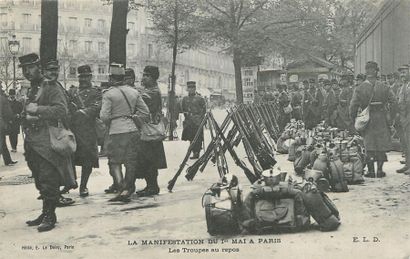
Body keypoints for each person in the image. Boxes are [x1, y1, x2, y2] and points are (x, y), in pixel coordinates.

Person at [20, 54, 76, 232]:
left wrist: (38, 110)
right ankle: (45, 212)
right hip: (33, 141)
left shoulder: (51, 86)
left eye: (30, 67)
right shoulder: (33, 87)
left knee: (48, 178)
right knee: (38, 177)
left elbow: (61, 110)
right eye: (24, 68)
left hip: (46, 140)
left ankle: (50, 215)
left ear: (39, 67)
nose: (26, 72)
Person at [100, 63, 149, 202]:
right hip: (133, 130)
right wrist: (132, 117)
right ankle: (128, 188)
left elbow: (104, 116)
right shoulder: (134, 92)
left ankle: (121, 187)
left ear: (111, 77)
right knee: (130, 161)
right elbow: (145, 113)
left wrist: (113, 120)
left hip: (116, 131)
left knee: (114, 161)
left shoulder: (108, 94)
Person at [350, 61, 396, 178]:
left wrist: (354, 119)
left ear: (366, 71)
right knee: (381, 144)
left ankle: (370, 171)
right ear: (377, 71)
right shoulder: (384, 87)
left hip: (367, 119)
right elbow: (394, 102)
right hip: (381, 118)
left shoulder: (360, 88)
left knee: (369, 144)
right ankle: (380, 171)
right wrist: (391, 116)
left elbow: (353, 106)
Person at [68, 65, 102, 197]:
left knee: (87, 161)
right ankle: (71, 182)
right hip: (73, 129)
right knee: (70, 157)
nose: (84, 79)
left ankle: (83, 186)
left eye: (86, 76)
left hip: (88, 130)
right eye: (81, 76)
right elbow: (66, 106)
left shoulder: (96, 92)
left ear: (91, 77)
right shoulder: (72, 91)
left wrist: (81, 112)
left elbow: (97, 107)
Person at [135, 66, 167, 197]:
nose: (144, 77)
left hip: (150, 130)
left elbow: (145, 107)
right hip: (148, 130)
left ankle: (153, 186)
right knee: (147, 160)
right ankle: (150, 185)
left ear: (153, 78)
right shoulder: (149, 90)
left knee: (150, 161)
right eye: (144, 75)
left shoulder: (153, 93)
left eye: (147, 75)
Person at [181, 81, 206, 159]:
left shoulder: (200, 98)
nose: (191, 89)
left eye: (192, 88)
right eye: (189, 88)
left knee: (198, 137)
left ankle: (197, 152)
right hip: (189, 122)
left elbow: (204, 110)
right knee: (191, 137)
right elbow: (183, 109)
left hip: (197, 122)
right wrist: (187, 116)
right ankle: (193, 150)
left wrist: (199, 118)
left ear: (195, 89)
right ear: (187, 89)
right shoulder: (185, 99)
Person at [396, 65, 410, 175]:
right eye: (401, 73)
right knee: (406, 142)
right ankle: (408, 165)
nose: (402, 75)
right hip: (404, 118)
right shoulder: (402, 87)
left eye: (404, 72)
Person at [0, 89, 17, 166]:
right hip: (1, 124)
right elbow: (8, 113)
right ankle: (8, 161)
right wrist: (11, 119)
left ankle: (8, 160)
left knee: (3, 143)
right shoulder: (2, 98)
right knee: (1, 142)